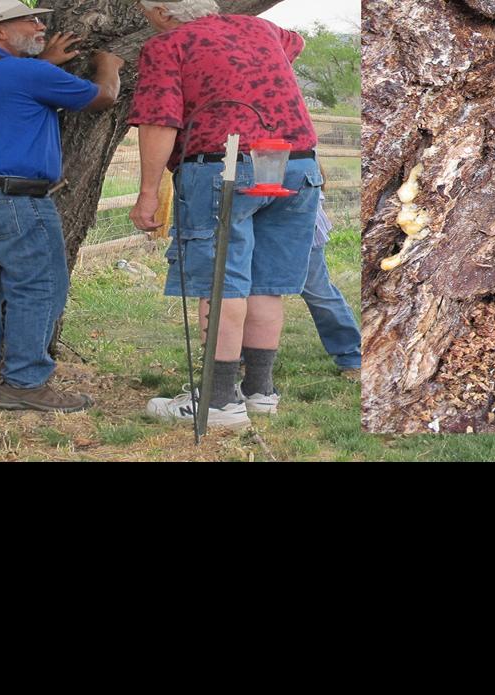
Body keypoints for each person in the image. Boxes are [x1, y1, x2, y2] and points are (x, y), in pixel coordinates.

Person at [127, 0, 322, 431]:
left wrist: (147, 193)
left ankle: (218, 403)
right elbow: (298, 42)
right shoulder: (262, 29)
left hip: (226, 165)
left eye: (145, 10)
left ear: (162, 12)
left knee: (221, 281)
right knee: (266, 282)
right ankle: (259, 393)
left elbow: (159, 121)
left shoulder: (168, 45)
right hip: (296, 163)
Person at [0, 0, 122, 412]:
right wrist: (109, 64)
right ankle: (24, 383)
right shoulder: (27, 73)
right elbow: (103, 97)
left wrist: (44, 63)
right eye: (30, 20)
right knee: (39, 286)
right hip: (14, 197)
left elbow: (1, 94)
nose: (40, 26)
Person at [301, 204, 362, 377]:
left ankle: (352, 357)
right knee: (252, 294)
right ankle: (246, 358)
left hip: (300, 223)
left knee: (318, 293)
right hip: (256, 226)